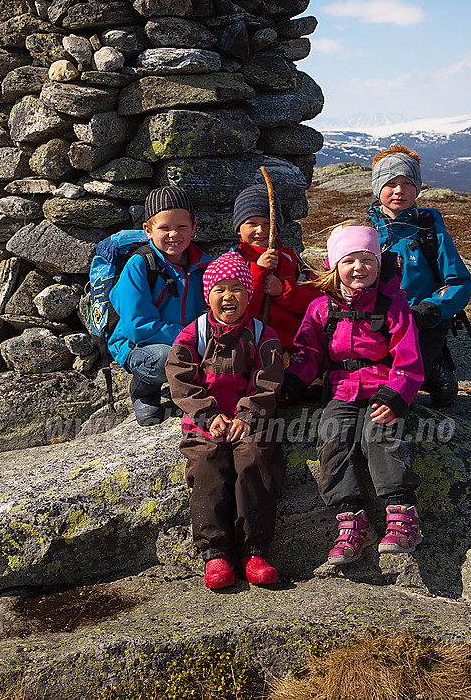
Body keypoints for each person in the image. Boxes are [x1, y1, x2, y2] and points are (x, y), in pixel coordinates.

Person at [281, 224, 424, 566]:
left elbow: (410, 360)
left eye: (367, 260)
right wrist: (293, 383)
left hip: (384, 388)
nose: (359, 267)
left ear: (378, 264)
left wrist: (396, 397)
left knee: (381, 434)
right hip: (341, 392)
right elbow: (307, 352)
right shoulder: (319, 309)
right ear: (334, 266)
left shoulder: (393, 307)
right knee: (332, 438)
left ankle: (402, 514)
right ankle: (351, 520)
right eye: (349, 260)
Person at [165, 250, 285, 589]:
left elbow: (267, 379)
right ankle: (215, 553)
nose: (228, 296)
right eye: (220, 289)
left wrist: (247, 415)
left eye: (236, 288)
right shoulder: (194, 334)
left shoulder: (264, 335)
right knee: (207, 465)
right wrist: (207, 414)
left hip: (251, 422)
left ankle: (255, 551)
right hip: (207, 424)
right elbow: (181, 377)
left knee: (255, 461)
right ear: (208, 296)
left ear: (249, 295)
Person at [368, 145, 471, 407]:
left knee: (412, 382)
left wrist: (431, 309)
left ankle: (435, 367)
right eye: (390, 183)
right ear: (377, 187)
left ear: (417, 187)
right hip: (376, 322)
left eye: (407, 182)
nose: (399, 190)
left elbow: (459, 282)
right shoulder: (364, 232)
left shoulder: (431, 233)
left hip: (421, 321)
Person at [108, 185, 211, 426]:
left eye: (181, 227)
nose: (174, 234)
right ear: (148, 230)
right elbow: (138, 326)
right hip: (140, 346)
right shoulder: (139, 266)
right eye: (164, 228)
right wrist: (191, 338)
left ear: (194, 227)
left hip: (190, 342)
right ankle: (144, 391)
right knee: (165, 358)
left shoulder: (206, 266)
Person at [233, 184, 322, 353]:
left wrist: (283, 291)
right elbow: (238, 309)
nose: (261, 230)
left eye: (268, 223)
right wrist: (258, 272)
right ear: (238, 228)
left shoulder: (290, 259)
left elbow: (315, 301)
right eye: (252, 223)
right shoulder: (234, 262)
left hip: (291, 346)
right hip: (249, 347)